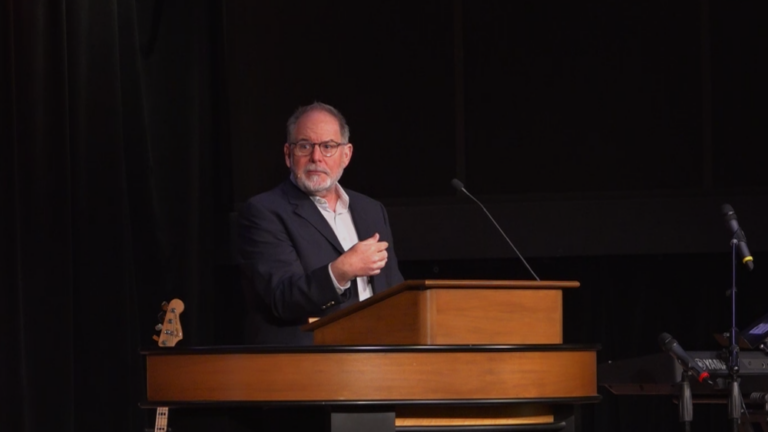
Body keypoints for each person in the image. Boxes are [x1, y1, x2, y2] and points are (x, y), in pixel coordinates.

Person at [238, 102, 405, 345]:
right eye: (305, 146)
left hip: (380, 353)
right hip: (312, 358)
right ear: (288, 154)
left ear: (346, 155)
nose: (316, 157)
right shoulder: (264, 212)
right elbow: (282, 298)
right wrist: (341, 271)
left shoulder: (371, 210)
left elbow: (393, 289)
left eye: (328, 146)